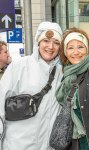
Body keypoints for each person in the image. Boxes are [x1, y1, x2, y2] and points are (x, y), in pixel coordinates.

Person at [0, 21, 63, 150]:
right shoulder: (18, 67)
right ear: (38, 42)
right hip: (17, 145)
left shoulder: (62, 74)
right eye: (46, 40)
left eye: (56, 42)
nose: (50, 47)